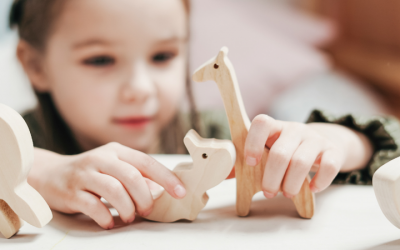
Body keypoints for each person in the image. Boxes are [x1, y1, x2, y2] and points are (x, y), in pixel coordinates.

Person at [9, 0, 400, 229]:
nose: (141, 89)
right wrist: (38, 172)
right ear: (36, 66)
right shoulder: (17, 136)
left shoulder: (218, 139)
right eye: (100, 60)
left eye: (163, 56)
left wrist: (341, 141)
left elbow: (391, 142)